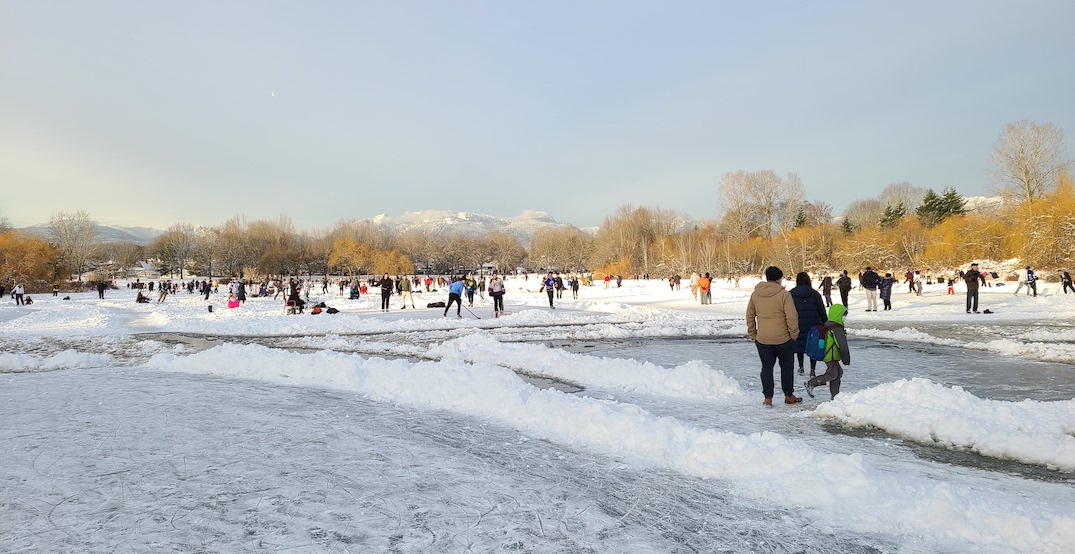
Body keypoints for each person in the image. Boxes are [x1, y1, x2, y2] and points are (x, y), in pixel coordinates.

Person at [746, 266, 803, 406]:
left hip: (763, 338)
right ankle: (788, 395)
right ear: (779, 279)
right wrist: (794, 334)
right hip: (783, 339)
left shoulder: (756, 294)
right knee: (786, 367)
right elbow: (792, 316)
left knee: (766, 368)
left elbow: (750, 316)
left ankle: (768, 398)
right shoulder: (784, 295)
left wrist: (754, 334)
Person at [805, 304, 851, 399]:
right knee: (833, 374)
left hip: (829, 355)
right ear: (838, 315)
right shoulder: (837, 328)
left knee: (838, 373)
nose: (844, 318)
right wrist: (846, 360)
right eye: (844, 315)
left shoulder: (828, 324)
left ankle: (835, 396)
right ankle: (811, 383)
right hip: (831, 356)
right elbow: (842, 346)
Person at [790, 272, 826, 377]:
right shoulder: (815, 294)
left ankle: (801, 367)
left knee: (799, 346)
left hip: (798, 324)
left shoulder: (791, 294)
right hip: (813, 325)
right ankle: (812, 369)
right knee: (812, 346)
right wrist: (825, 323)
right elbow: (821, 310)